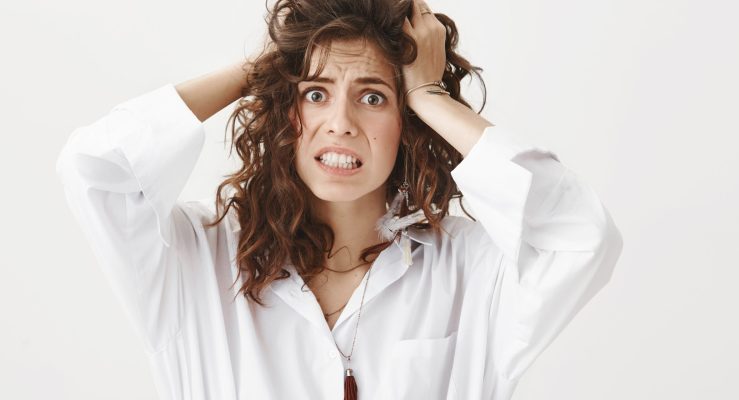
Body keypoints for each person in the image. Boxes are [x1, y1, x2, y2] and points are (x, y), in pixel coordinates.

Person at [55, 0, 624, 398]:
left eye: (373, 97)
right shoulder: (197, 263)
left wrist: (429, 94)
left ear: (408, 122)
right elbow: (96, 168)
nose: (341, 123)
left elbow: (581, 237)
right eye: (316, 94)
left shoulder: (471, 269)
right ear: (286, 111)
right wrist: (263, 68)